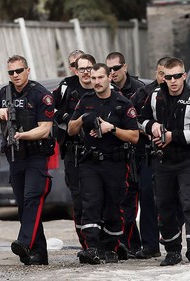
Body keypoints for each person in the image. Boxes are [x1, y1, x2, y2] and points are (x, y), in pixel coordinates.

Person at [139, 57, 190, 266]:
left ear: (184, 75)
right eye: (168, 77)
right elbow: (139, 119)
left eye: (177, 76)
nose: (173, 81)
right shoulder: (154, 96)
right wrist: (151, 126)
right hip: (163, 162)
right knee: (164, 206)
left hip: (189, 160)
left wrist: (173, 136)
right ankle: (172, 250)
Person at [67, 63, 139, 264]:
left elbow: (134, 136)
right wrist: (82, 118)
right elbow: (71, 130)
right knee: (90, 203)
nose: (96, 82)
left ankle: (112, 247)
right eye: (93, 78)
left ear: (109, 78)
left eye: (100, 77)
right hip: (90, 162)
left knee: (113, 207)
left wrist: (112, 128)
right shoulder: (86, 100)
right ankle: (92, 248)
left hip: (114, 163)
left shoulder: (122, 103)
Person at [0, 55, 55, 265]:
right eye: (11, 72)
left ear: (28, 70)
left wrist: (23, 135)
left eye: (19, 70)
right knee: (25, 205)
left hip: (36, 155)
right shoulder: (4, 93)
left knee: (32, 197)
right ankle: (39, 254)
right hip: (15, 156)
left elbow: (45, 129)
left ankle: (24, 242)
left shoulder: (40, 94)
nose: (15, 75)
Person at [52, 52, 96, 250]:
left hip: (100, 153)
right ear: (75, 69)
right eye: (80, 68)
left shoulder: (103, 85)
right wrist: (68, 118)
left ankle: (106, 245)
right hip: (74, 152)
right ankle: (87, 245)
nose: (85, 73)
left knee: (102, 198)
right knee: (79, 200)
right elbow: (48, 108)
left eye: (89, 68)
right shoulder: (66, 87)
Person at [129, 56, 171, 259]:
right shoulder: (144, 93)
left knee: (174, 199)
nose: (165, 78)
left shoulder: (183, 93)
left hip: (175, 155)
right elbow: (132, 118)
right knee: (147, 199)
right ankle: (150, 245)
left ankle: (172, 237)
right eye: (161, 73)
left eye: (168, 74)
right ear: (156, 73)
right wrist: (148, 128)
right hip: (148, 154)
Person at [106, 51, 145, 258]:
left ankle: (127, 243)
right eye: (109, 69)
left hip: (135, 152)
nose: (112, 73)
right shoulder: (104, 89)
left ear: (125, 67)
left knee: (131, 202)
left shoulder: (139, 89)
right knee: (116, 200)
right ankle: (128, 243)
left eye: (116, 68)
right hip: (113, 152)